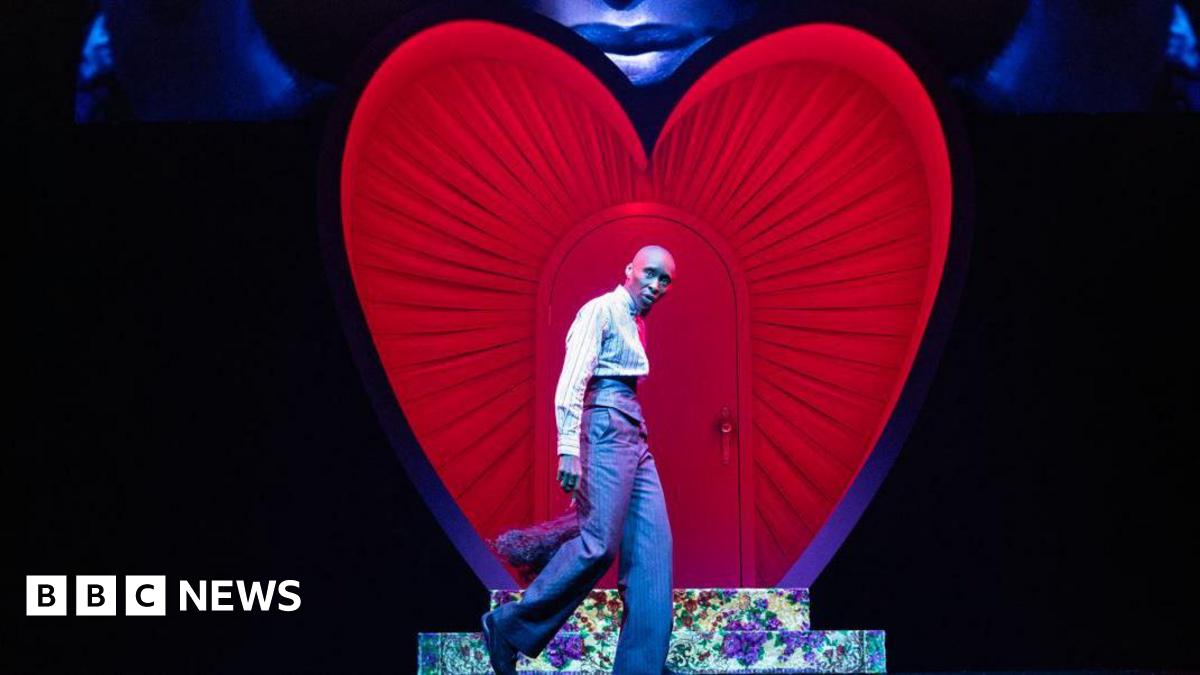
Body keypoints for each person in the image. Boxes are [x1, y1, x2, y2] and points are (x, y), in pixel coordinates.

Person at [481, 245, 678, 674]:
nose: (656, 285)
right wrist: (568, 448)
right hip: (605, 421)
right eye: (650, 274)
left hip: (632, 428)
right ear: (629, 269)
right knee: (598, 543)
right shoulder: (601, 310)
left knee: (653, 557)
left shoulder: (633, 320)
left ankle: (640, 669)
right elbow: (572, 379)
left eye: (664, 280)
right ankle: (509, 627)